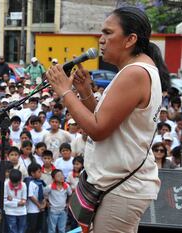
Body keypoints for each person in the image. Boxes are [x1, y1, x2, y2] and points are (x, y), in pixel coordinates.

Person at [45, 6, 168, 232]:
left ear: (130, 39)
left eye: (108, 33)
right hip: (120, 185)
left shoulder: (135, 73)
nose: (101, 40)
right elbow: (110, 122)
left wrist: (65, 91)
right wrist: (84, 92)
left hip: (121, 189)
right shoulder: (134, 70)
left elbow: (98, 129)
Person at [4, 169, 27, 233]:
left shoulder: (24, 185)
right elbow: (5, 201)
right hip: (10, 212)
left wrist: (12, 200)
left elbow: (24, 200)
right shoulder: (5, 184)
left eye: (16, 182)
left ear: (20, 180)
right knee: (12, 231)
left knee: (21, 231)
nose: (14, 184)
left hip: (22, 212)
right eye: (12, 182)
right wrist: (18, 202)